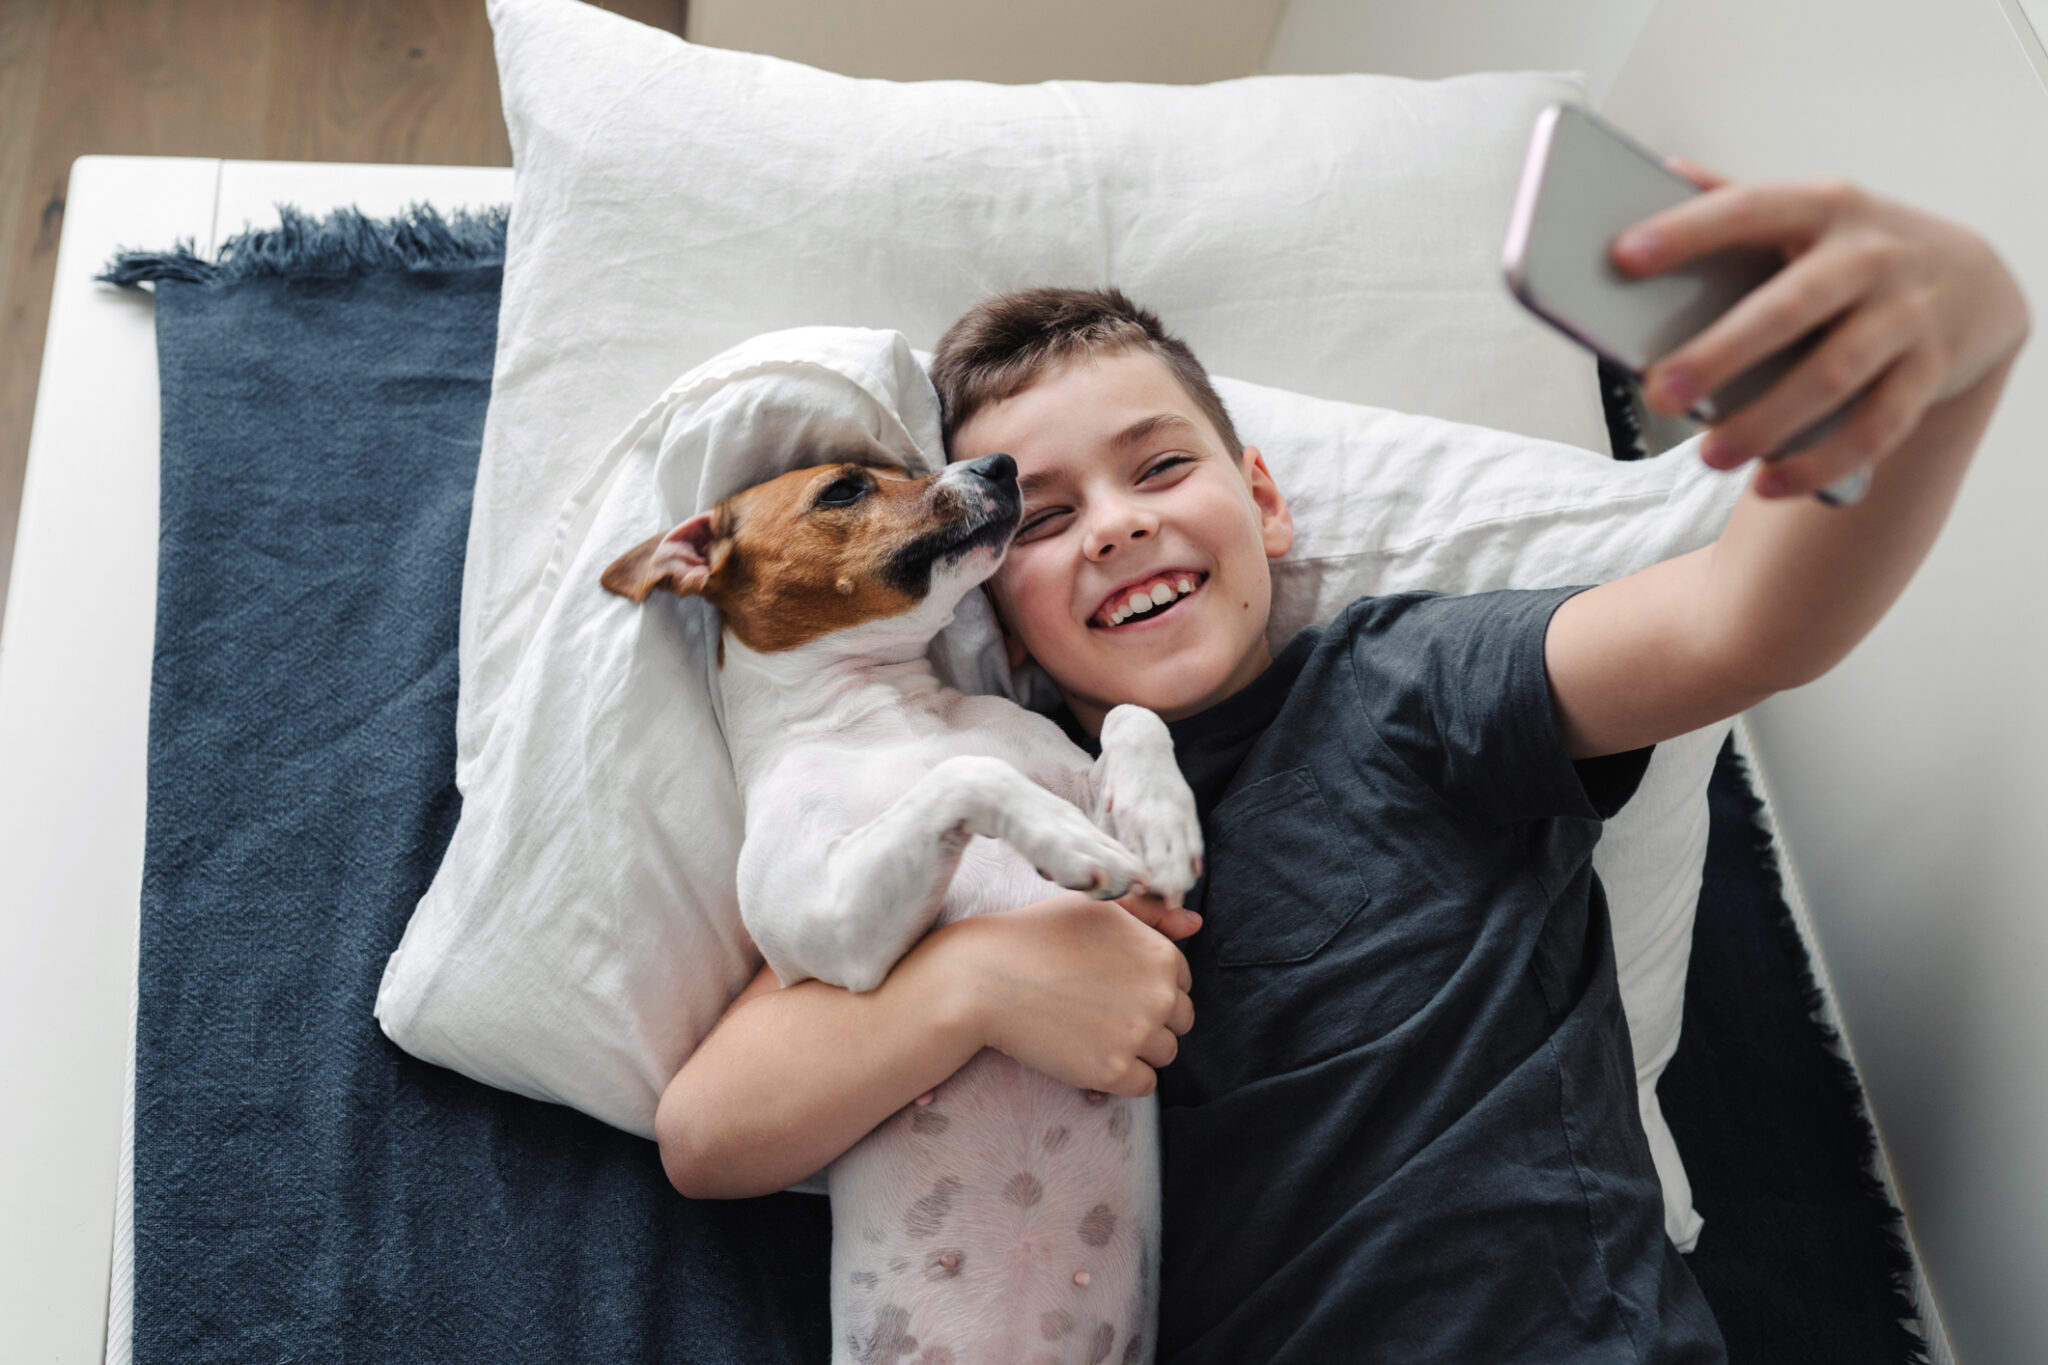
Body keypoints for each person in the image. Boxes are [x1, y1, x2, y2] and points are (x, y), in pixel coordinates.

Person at [655, 159, 2029, 1362]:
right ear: (988, 609)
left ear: (1263, 499)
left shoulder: (1406, 682)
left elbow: (1742, 621)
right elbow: (709, 1129)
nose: (1118, 527)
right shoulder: (992, 829)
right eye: (1050, 516)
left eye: (1159, 467)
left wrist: (1956, 359)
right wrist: (975, 981)